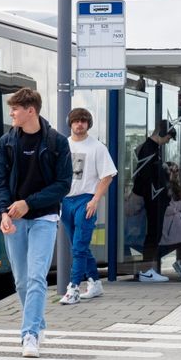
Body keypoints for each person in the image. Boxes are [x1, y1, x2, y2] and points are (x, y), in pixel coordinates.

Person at [0, 87, 72, 358]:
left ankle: (29, 335)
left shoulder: (56, 142)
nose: (11, 113)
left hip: (44, 217)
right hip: (13, 219)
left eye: (15, 109)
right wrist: (4, 211)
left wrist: (30, 202)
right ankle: (38, 324)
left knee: (37, 277)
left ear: (31, 111)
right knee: (22, 282)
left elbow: (63, 185)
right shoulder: (7, 142)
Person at [59, 108, 117, 305]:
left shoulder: (97, 147)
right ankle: (94, 282)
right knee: (78, 246)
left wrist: (95, 200)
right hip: (66, 201)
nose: (80, 124)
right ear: (70, 123)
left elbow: (107, 175)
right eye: (76, 120)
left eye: (84, 121)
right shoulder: (62, 145)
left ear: (88, 124)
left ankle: (73, 288)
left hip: (86, 200)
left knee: (79, 247)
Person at [132, 121, 177, 282]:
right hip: (153, 200)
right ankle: (147, 270)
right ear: (163, 133)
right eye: (169, 138)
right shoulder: (149, 149)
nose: (168, 141)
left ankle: (148, 269)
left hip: (153, 199)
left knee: (154, 234)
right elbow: (144, 176)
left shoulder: (151, 148)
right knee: (153, 234)